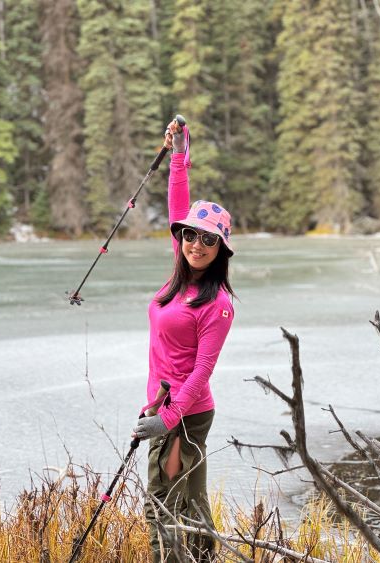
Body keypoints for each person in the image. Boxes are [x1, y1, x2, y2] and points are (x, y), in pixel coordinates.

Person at [132, 119, 235, 562]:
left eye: (209, 239)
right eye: (190, 234)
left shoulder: (218, 304)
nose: (196, 244)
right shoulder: (180, 272)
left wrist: (167, 419)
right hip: (175, 409)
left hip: (183, 415)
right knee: (191, 501)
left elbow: (202, 370)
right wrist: (178, 153)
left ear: (221, 248)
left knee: (163, 506)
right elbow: (178, 202)